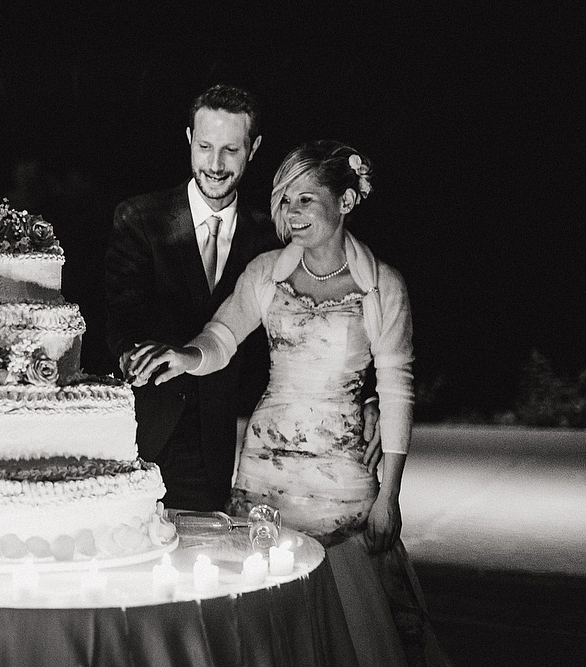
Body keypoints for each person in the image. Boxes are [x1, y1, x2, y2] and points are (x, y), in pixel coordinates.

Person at [125, 140, 446, 666]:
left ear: (345, 201)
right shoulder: (265, 273)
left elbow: (396, 388)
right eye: (285, 200)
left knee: (349, 624)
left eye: (306, 200)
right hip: (265, 466)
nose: (292, 214)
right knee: (266, 603)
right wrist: (188, 357)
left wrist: (390, 494)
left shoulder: (383, 287)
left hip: (342, 476)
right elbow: (222, 337)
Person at [104, 85, 380, 511]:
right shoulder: (140, 218)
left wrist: (367, 395)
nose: (214, 165)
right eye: (205, 147)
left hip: (221, 443)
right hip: (146, 431)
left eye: (230, 150)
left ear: (253, 149)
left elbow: (338, 306)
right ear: (189, 141)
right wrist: (130, 356)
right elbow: (121, 313)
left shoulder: (274, 236)